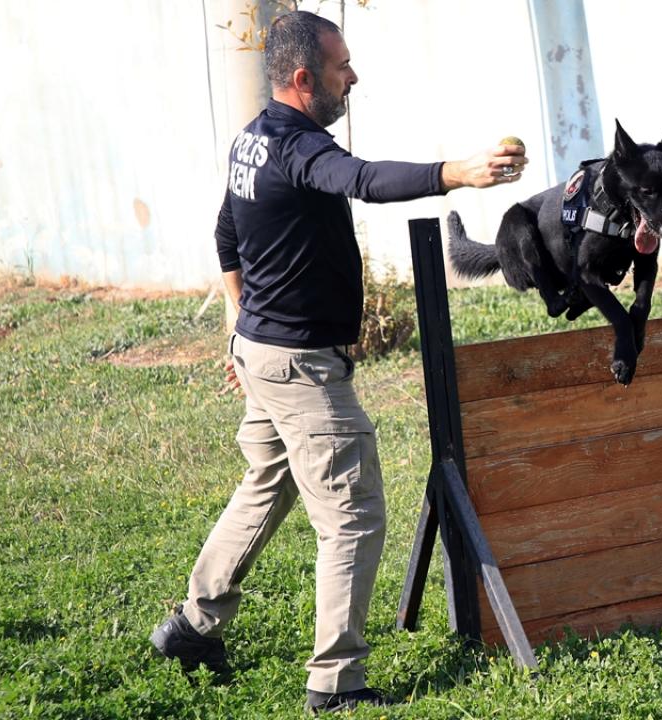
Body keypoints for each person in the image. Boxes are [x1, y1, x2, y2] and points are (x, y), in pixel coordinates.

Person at [149, 10, 526, 714]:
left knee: (266, 486)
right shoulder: (299, 150)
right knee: (353, 514)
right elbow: (366, 180)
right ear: (303, 78)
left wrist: (239, 320)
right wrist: (457, 173)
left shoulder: (252, 141)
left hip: (264, 354)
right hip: (300, 368)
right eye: (340, 66)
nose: (352, 76)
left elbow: (226, 232)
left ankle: (192, 627)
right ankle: (335, 682)